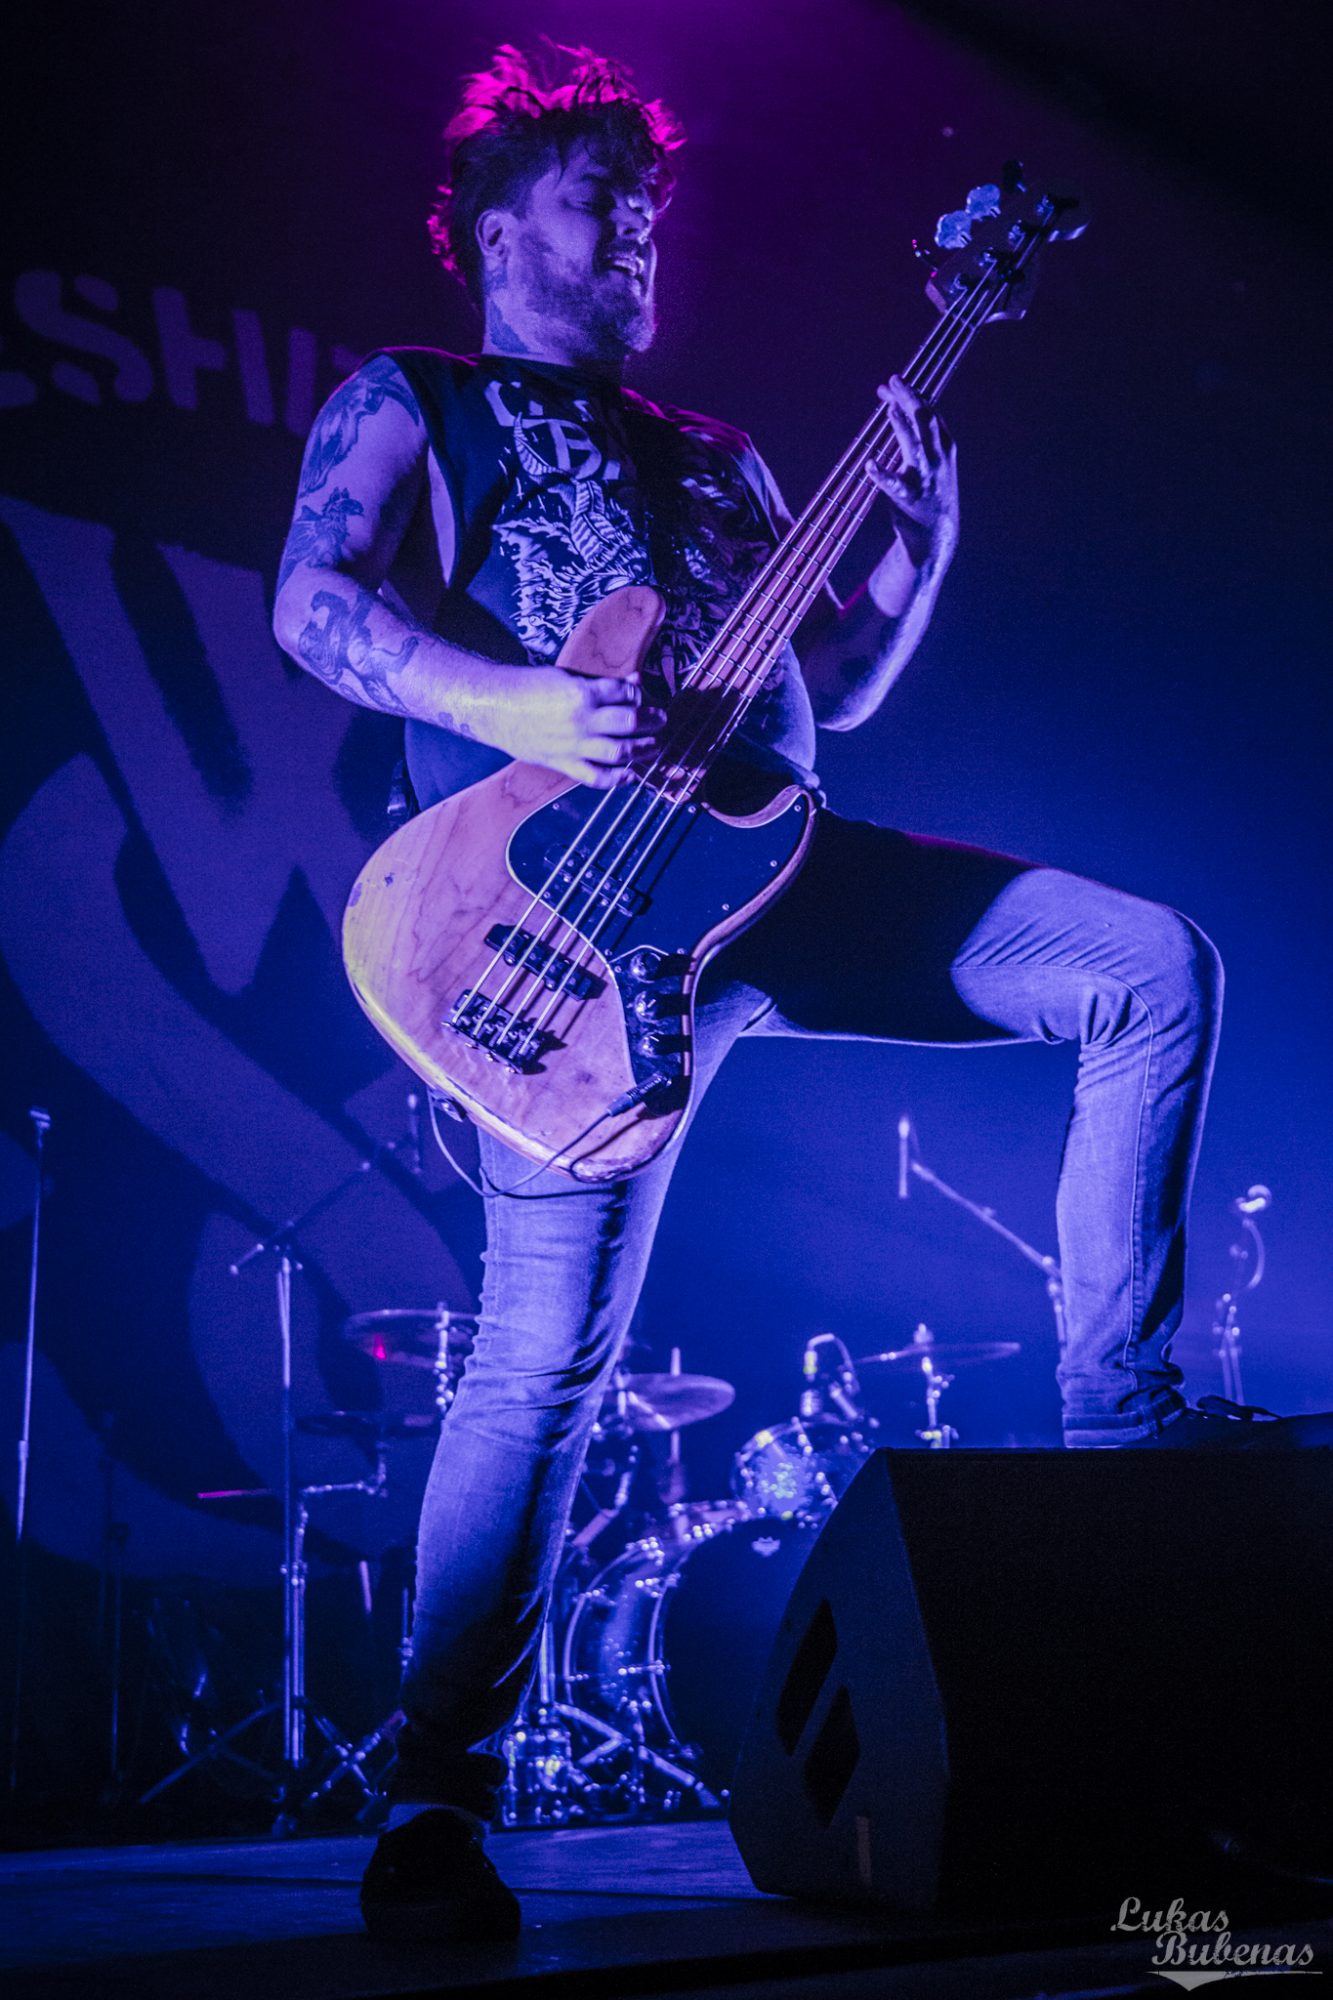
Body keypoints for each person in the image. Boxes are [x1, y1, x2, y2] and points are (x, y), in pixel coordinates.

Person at [272, 44, 1254, 1944]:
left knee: (1146, 966)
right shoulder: (413, 398)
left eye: (650, 208)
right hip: (559, 924)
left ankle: (1117, 1433)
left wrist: (914, 562)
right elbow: (313, 609)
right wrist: (521, 704)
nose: (638, 232)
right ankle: (434, 1798)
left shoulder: (718, 454)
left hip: (777, 874)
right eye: (597, 203)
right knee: (544, 1355)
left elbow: (836, 699)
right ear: (494, 231)